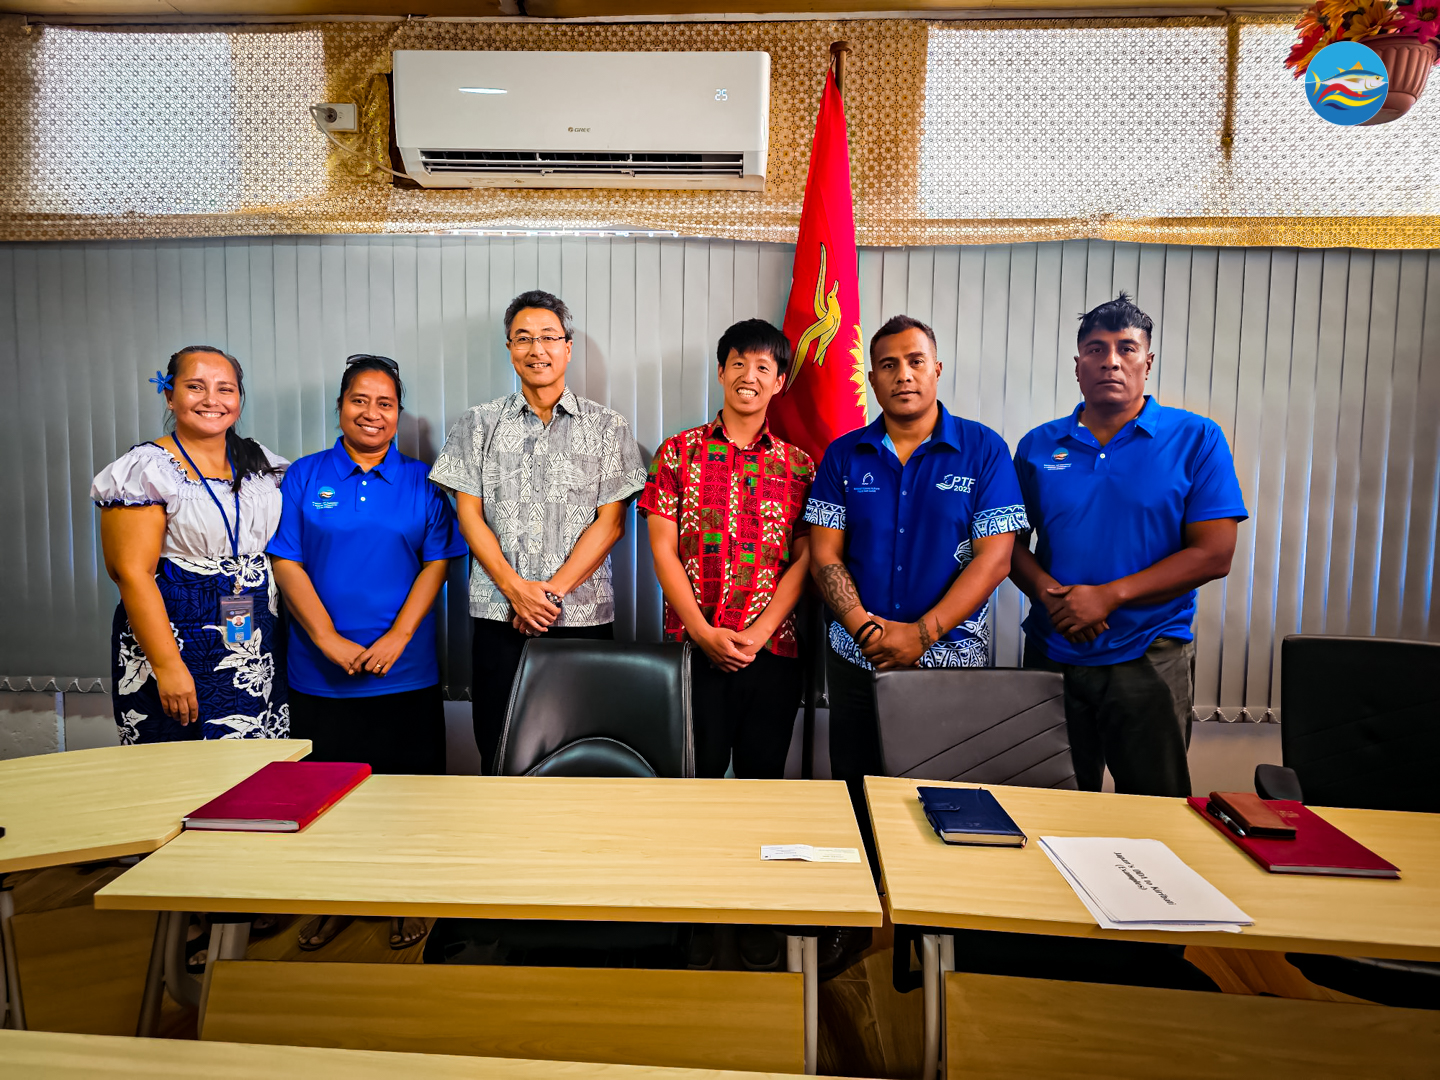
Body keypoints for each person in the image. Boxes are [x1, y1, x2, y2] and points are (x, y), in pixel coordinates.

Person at [806, 314, 1028, 973]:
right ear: (870, 378)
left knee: (939, 806)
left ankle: (928, 938)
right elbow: (824, 554)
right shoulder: (846, 456)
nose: (902, 374)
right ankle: (853, 923)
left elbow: (995, 560)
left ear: (936, 369)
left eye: (915, 361)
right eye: (887, 365)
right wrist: (869, 632)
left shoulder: (984, 450)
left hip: (949, 671)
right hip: (857, 662)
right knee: (855, 792)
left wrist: (921, 635)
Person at [1010, 292, 1247, 798]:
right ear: (1078, 366)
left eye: (1126, 348)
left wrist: (1108, 596)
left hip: (1149, 656)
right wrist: (1056, 598)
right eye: (1095, 349)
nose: (1111, 361)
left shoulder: (1197, 439)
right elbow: (1007, 543)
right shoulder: (1036, 446)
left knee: (1154, 813)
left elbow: (1214, 552)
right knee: (1048, 808)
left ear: (1148, 361)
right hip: (1055, 653)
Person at [269, 354, 467, 951]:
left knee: (407, 797)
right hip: (319, 672)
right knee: (327, 798)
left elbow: (437, 565)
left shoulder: (422, 481)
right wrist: (328, 639)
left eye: (385, 403)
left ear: (398, 413)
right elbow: (286, 560)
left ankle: (403, 895)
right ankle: (334, 899)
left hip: (403, 672)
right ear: (340, 407)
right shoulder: (303, 477)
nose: (372, 413)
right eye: (360, 400)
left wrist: (397, 639)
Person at [430, 290, 647, 774]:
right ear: (509, 348)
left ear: (568, 347)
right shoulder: (478, 424)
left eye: (549, 337)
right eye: (523, 338)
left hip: (582, 619)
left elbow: (610, 525)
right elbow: (469, 517)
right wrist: (516, 592)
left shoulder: (608, 427)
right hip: (498, 618)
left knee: (584, 748)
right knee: (500, 747)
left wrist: (546, 598)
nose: (537, 349)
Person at [639, 318, 815, 780]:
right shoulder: (677, 452)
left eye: (762, 367)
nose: (748, 376)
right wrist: (702, 632)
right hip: (693, 649)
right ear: (721, 372)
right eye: (738, 363)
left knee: (763, 782)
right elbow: (663, 552)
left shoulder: (799, 466)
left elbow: (806, 559)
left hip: (772, 652)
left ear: (779, 382)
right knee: (694, 781)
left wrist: (759, 634)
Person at [92, 345, 289, 744]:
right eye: (195, 387)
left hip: (253, 636)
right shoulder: (147, 469)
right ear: (170, 394)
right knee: (183, 764)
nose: (212, 400)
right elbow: (130, 573)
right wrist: (167, 667)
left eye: (225, 389)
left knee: (255, 766)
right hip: (177, 640)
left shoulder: (259, 463)